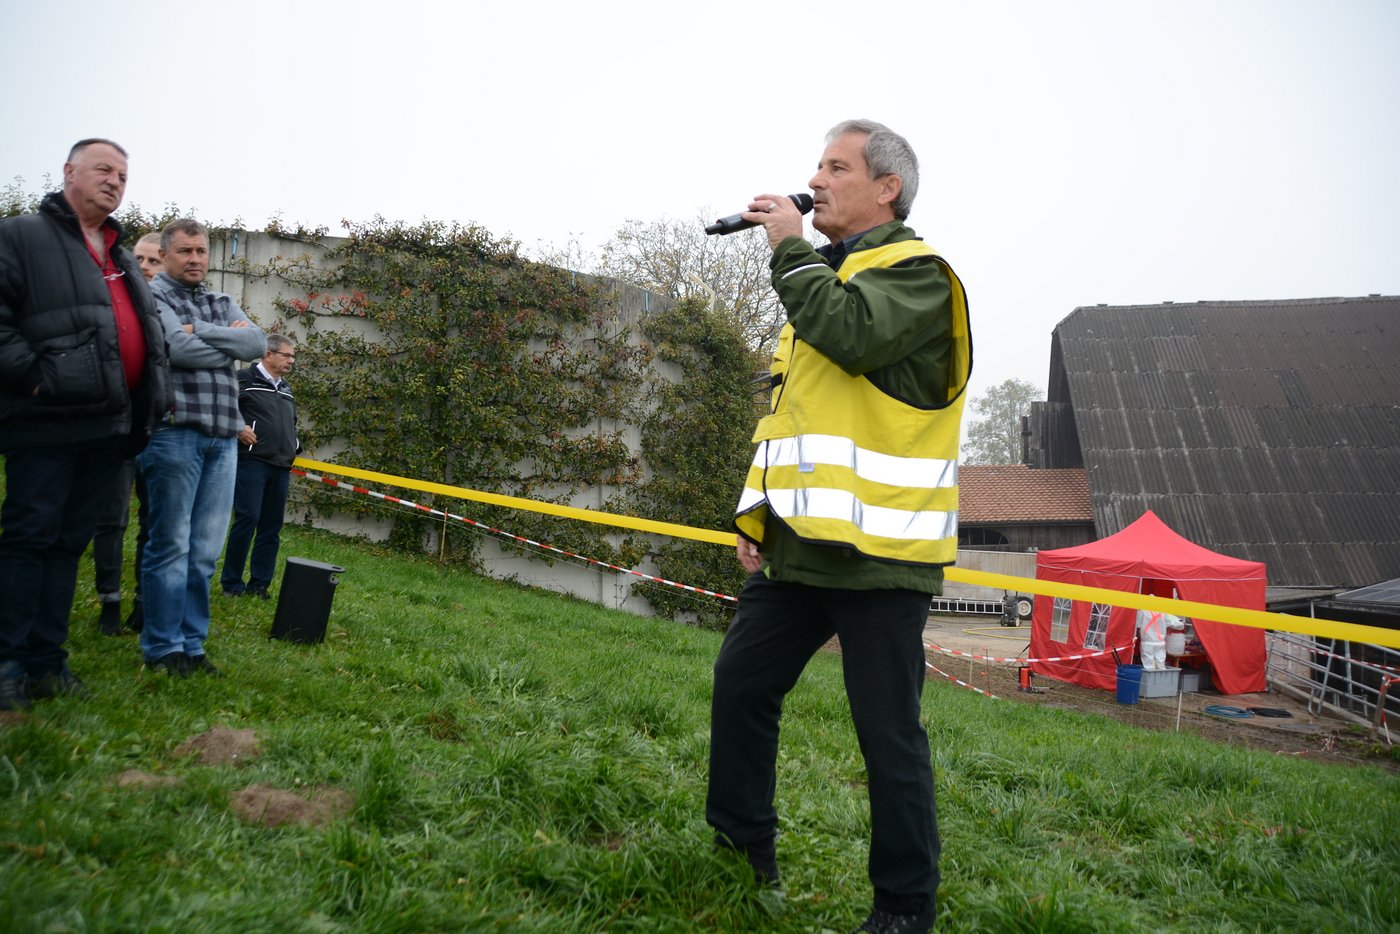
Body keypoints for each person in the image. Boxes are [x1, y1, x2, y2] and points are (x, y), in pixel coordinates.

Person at [707, 119, 972, 934]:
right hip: (798, 552)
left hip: (882, 559)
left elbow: (854, 338)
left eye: (836, 166)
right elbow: (795, 423)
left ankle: (903, 908)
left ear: (887, 187)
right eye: (814, 166)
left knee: (886, 733)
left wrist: (788, 249)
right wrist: (760, 519)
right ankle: (739, 849)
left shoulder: (919, 276)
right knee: (742, 686)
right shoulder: (826, 280)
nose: (814, 180)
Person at [0, 139, 171, 709]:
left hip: (110, 429)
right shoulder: (23, 235)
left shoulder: (120, 251)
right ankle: (7, 665)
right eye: (103, 169)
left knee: (69, 545)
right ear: (69, 171)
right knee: (29, 541)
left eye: (123, 174)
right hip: (46, 424)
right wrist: (38, 379)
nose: (115, 180)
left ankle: (46, 662)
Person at [139, 219, 265, 678]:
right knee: (170, 545)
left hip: (223, 440)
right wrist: (225, 343)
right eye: (185, 251)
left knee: (205, 552)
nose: (195, 259)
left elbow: (257, 342)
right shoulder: (154, 295)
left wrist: (201, 330)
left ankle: (192, 646)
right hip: (175, 434)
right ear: (167, 254)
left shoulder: (220, 300)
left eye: (201, 251)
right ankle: (162, 647)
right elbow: (174, 348)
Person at [91, 232, 163, 635]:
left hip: (159, 432)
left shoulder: (168, 307)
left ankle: (141, 603)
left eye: (154, 260)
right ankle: (108, 604)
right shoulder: (112, 301)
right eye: (140, 259)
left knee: (153, 523)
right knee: (112, 519)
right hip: (118, 431)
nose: (146, 267)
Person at [221, 334, 300, 600]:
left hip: (281, 466)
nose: (291, 360)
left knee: (271, 526)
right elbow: (223, 407)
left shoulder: (286, 388)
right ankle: (232, 583)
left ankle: (259, 584)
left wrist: (294, 445)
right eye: (287, 355)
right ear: (269, 354)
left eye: (292, 356)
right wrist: (238, 428)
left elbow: (292, 422)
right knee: (248, 519)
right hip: (252, 462)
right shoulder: (243, 380)